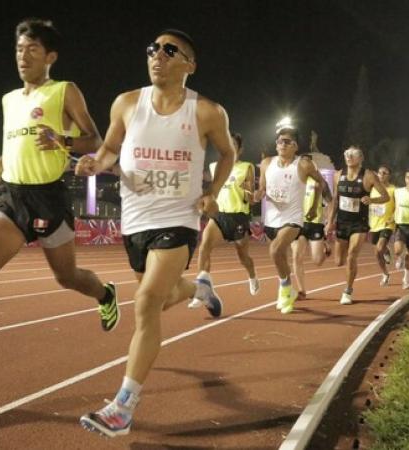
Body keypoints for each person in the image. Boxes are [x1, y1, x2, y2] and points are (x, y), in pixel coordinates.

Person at [0, 19, 120, 392]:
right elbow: (16, 139)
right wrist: (2, 163)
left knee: (66, 277)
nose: (23, 56)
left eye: (32, 49)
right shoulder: (9, 99)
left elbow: (95, 140)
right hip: (13, 198)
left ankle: (105, 294)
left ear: (50, 57)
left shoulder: (64, 91)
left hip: (49, 198)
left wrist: (63, 140)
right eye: (19, 49)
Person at [75, 29, 235, 437]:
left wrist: (213, 193)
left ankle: (123, 407)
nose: (157, 56)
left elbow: (228, 153)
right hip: (136, 221)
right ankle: (198, 289)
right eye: (152, 49)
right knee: (159, 300)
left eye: (169, 50)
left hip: (179, 219)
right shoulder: (127, 103)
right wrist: (96, 163)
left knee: (146, 302)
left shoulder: (207, 112)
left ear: (189, 64)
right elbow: (110, 149)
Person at [255, 127, 328, 313]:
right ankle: (288, 288)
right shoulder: (266, 163)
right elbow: (262, 188)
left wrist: (315, 206)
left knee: (275, 250)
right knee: (279, 256)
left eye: (287, 142)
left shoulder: (303, 164)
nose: (282, 144)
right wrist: (257, 195)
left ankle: (285, 291)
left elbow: (321, 183)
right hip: (272, 220)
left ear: (295, 146)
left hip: (293, 218)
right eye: (279, 141)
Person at [188, 132, 259, 309]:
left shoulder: (247, 167)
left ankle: (252, 276)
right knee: (204, 247)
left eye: (234, 145)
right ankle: (202, 290)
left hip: (238, 217)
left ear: (240, 150)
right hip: (219, 215)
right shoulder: (214, 166)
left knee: (243, 257)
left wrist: (250, 193)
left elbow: (250, 198)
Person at [325, 146, 389, 305]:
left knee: (352, 255)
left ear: (360, 158)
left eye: (353, 154)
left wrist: (371, 200)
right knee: (339, 261)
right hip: (342, 223)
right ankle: (348, 266)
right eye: (346, 154)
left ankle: (347, 291)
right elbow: (335, 200)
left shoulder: (369, 176)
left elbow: (385, 196)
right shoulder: (338, 175)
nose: (349, 157)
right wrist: (330, 222)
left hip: (359, 224)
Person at [291, 153, 331, 300]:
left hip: (315, 223)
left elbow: (330, 201)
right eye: (302, 162)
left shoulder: (321, 182)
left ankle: (325, 249)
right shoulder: (294, 180)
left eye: (308, 162)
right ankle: (301, 290)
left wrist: (329, 221)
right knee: (296, 256)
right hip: (297, 222)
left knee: (317, 261)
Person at [368, 165, 396, 286]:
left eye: (385, 173)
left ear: (389, 175)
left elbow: (398, 206)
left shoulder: (394, 190)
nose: (381, 175)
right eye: (380, 173)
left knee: (379, 248)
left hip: (387, 224)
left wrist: (393, 217)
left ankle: (384, 249)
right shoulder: (372, 189)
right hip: (374, 224)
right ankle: (385, 273)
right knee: (377, 253)